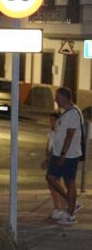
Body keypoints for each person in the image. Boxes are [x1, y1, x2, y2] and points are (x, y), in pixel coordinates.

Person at [46, 87, 85, 225]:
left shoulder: (74, 113)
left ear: (64, 98)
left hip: (69, 155)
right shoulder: (66, 112)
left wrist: (62, 155)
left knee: (70, 182)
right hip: (59, 154)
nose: (55, 99)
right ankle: (72, 203)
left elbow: (70, 135)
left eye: (57, 97)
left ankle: (70, 216)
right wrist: (52, 155)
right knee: (50, 177)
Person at [42, 113, 67, 219]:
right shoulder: (51, 133)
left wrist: (50, 159)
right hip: (52, 160)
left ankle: (66, 207)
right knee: (53, 186)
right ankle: (58, 208)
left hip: (56, 161)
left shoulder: (60, 132)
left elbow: (57, 148)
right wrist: (47, 159)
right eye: (50, 120)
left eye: (53, 120)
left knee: (55, 185)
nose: (51, 122)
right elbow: (48, 147)